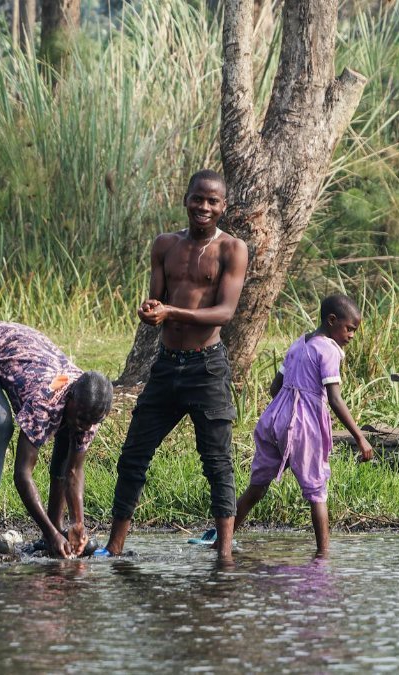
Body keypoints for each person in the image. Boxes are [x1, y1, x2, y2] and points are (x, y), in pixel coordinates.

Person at [99, 169, 249, 559]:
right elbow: (156, 301)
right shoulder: (165, 245)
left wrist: (171, 312)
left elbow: (224, 312)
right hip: (166, 366)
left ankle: (225, 554)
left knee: (217, 462)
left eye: (212, 201)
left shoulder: (233, 249)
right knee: (133, 455)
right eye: (198, 199)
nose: (204, 207)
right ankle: (114, 548)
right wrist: (150, 311)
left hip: (207, 368)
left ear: (223, 207)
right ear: (186, 200)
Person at [0, 322, 114, 558]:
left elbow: (72, 471)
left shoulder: (90, 409)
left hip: (21, 353)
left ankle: (55, 527)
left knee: (66, 432)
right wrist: (51, 534)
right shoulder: (46, 401)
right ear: (70, 398)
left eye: (90, 422)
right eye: (80, 418)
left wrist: (77, 524)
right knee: (0, 424)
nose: (84, 426)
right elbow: (22, 474)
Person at [232, 294, 374, 556]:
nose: (352, 335)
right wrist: (360, 437)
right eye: (349, 329)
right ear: (332, 321)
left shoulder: (299, 343)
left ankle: (222, 540)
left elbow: (275, 387)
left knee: (257, 486)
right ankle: (323, 556)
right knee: (317, 490)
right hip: (303, 427)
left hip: (273, 421)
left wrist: (287, 411)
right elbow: (334, 398)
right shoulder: (329, 350)